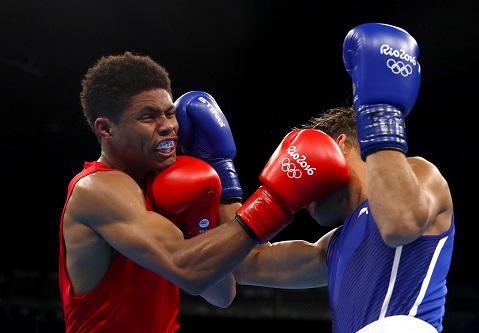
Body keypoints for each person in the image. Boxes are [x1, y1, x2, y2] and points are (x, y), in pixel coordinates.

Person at [58, 52, 350, 332]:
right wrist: (275, 202)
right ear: (105, 129)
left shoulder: (165, 187)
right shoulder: (96, 190)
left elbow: (221, 292)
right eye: (148, 117)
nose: (168, 127)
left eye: (169, 113)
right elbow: (188, 270)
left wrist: (217, 182)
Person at [234, 23, 455, 333]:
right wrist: (221, 174)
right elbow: (241, 265)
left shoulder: (420, 174)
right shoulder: (330, 249)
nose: (303, 196)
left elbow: (400, 224)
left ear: (340, 145)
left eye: (308, 169)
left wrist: (378, 116)